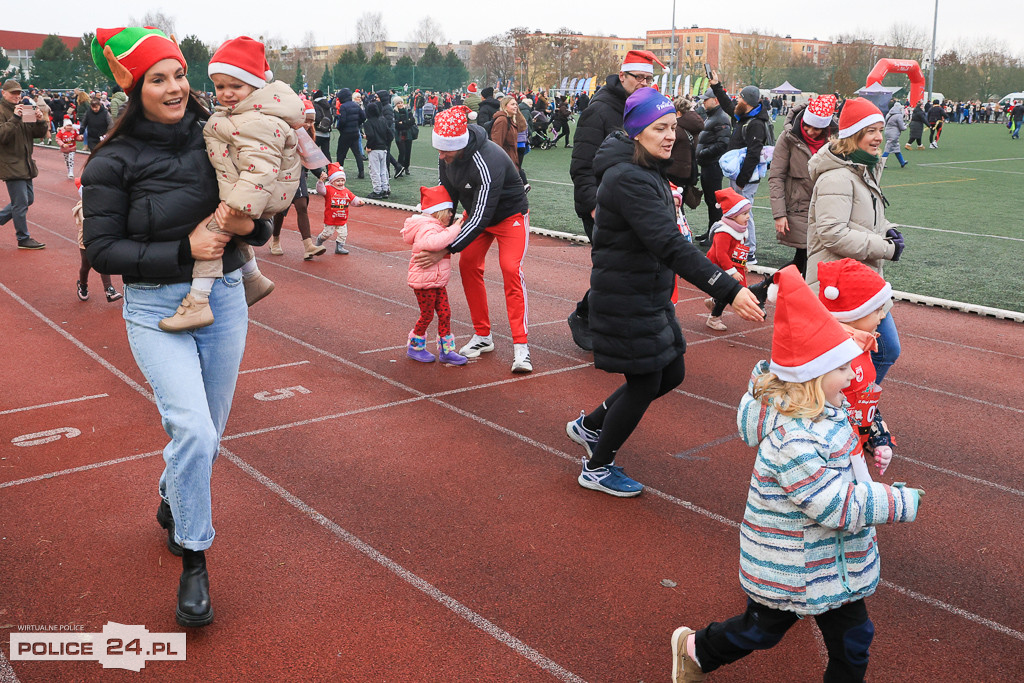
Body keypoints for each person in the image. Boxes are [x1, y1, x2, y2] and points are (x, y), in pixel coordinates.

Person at [83, 26, 273, 628]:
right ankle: (195, 557)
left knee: (207, 438)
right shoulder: (110, 160)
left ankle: (173, 492)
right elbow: (103, 250)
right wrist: (186, 250)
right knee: (192, 430)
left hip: (224, 301)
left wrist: (252, 228)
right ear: (134, 88)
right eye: (156, 78)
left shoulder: (216, 134)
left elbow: (260, 210)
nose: (173, 87)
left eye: (178, 74)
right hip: (154, 310)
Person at [669, 265, 922, 683]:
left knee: (854, 642)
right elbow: (833, 503)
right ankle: (697, 648)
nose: (851, 377)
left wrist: (877, 437)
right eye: (843, 371)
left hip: (831, 562)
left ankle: (701, 650)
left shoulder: (828, 408)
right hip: (793, 564)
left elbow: (854, 436)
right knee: (761, 630)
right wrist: (897, 501)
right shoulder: (794, 440)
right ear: (814, 378)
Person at [564, 88, 764, 497]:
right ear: (637, 131)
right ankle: (598, 466)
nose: (671, 135)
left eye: (673, 126)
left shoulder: (646, 168)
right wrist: (728, 289)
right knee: (644, 381)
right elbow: (670, 245)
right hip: (627, 295)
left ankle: (590, 426)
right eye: (660, 128)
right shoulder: (629, 178)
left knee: (671, 372)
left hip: (645, 291)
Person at [157, 36, 301, 333]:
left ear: (256, 85)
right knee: (228, 231)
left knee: (213, 234)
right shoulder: (245, 114)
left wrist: (235, 207)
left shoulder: (258, 121)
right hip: (252, 190)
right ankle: (253, 278)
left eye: (236, 86)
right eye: (220, 86)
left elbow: (260, 169)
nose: (226, 94)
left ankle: (197, 301)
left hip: (256, 193)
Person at [412, 105, 533, 373]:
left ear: (461, 144)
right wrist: (435, 229)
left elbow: (481, 216)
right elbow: (449, 196)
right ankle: (482, 336)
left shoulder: (488, 159)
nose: (441, 156)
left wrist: (444, 249)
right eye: (439, 150)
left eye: (446, 150)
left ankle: (521, 347)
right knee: (468, 266)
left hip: (508, 215)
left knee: (511, 269)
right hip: (478, 212)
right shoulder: (447, 157)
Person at [566, 49, 660, 351]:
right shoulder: (600, 109)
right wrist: (593, 205)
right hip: (603, 204)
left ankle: (613, 325)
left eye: (649, 78)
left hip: (633, 200)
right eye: (639, 77)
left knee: (629, 267)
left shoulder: (642, 107)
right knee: (617, 268)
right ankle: (586, 316)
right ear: (623, 76)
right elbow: (581, 164)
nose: (644, 83)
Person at [807, 98, 904, 383]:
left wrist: (889, 230)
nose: (878, 137)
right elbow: (833, 233)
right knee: (863, 355)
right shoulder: (837, 177)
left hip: (860, 282)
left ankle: (856, 410)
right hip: (840, 285)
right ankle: (852, 411)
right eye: (870, 130)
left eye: (880, 129)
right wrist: (887, 248)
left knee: (873, 353)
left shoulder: (863, 169)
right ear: (853, 135)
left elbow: (865, 220)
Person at [817, 258, 898, 483]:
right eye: (877, 310)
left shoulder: (862, 345)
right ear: (852, 313)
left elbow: (863, 401)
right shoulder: (831, 355)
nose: (883, 317)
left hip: (851, 448)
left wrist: (879, 437)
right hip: (829, 455)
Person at [765, 95, 836, 278]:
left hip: (828, 209)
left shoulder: (836, 140)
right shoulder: (788, 138)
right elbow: (776, 176)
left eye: (817, 128)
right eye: (807, 126)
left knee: (809, 261)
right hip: (799, 208)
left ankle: (763, 290)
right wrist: (779, 214)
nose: (811, 131)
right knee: (805, 260)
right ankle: (766, 291)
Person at [401, 185, 468, 366]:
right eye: (448, 212)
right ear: (437, 212)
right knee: (427, 314)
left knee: (445, 313)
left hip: (437, 281)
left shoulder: (436, 226)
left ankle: (446, 350)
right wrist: (454, 229)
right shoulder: (427, 228)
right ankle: (415, 347)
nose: (450, 216)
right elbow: (433, 243)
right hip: (424, 282)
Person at [726, 85, 773, 265]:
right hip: (742, 175)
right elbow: (728, 107)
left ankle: (750, 252)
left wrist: (742, 180)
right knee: (740, 211)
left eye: (739, 97)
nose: (737, 99)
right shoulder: (746, 116)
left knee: (745, 213)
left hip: (746, 178)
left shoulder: (756, 124)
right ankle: (742, 248)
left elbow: (754, 154)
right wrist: (715, 86)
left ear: (747, 101)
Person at [0, 79, 48, 249]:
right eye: (13, 93)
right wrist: (15, 118)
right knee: (20, 204)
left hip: (26, 163)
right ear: (3, 93)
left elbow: (37, 133)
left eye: (18, 93)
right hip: (11, 164)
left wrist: (40, 120)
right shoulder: (2, 111)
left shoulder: (26, 108)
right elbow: (2, 136)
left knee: (28, 199)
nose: (17, 96)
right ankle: (23, 238)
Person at [702, 188, 751, 331]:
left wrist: (743, 264)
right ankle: (714, 318)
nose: (748, 217)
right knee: (728, 291)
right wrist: (732, 271)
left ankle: (714, 302)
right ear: (733, 215)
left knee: (730, 291)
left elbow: (738, 250)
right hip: (719, 265)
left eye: (748, 213)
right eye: (744, 214)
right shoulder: (724, 231)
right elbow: (721, 254)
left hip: (731, 264)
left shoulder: (740, 228)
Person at [694, 72, 733, 242]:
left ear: (715, 100)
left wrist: (702, 153)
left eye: (706, 100)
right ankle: (711, 231)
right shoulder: (713, 116)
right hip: (708, 165)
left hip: (713, 166)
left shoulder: (721, 117)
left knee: (714, 203)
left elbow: (723, 144)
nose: (703, 102)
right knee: (710, 201)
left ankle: (715, 234)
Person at [72, 178, 122, 302]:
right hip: (86, 241)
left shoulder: (99, 205)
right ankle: (83, 285)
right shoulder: (81, 208)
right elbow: (88, 222)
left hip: (99, 240)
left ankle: (109, 289)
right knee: (86, 266)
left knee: (102, 262)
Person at [314, 163, 363, 254]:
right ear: (332, 181)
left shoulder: (346, 191)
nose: (340, 183)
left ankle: (339, 247)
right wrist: (320, 182)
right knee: (327, 234)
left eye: (342, 180)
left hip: (342, 218)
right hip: (331, 218)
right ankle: (319, 242)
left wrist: (359, 202)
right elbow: (321, 190)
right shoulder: (328, 189)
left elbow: (352, 199)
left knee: (343, 234)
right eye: (338, 181)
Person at [490, 96, 526, 182]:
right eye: (512, 104)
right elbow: (497, 144)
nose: (515, 106)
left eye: (516, 104)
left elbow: (522, 126)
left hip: (511, 161)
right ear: (505, 106)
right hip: (505, 163)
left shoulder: (510, 120)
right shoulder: (502, 120)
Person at [363, 100, 392, 200]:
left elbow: (371, 135)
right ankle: (385, 188)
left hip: (374, 149)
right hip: (383, 148)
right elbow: (390, 134)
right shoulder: (382, 120)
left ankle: (377, 190)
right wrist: (385, 144)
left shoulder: (368, 123)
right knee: (383, 170)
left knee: (374, 170)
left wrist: (368, 146)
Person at [335, 88, 365, 178]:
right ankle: (361, 172)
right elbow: (363, 117)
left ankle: (339, 172)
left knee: (341, 154)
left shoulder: (343, 107)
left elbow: (343, 120)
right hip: (355, 132)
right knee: (357, 153)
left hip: (345, 133)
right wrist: (357, 124)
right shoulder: (356, 105)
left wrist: (339, 127)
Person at [393, 96, 416, 177]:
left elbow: (412, 121)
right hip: (399, 135)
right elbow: (396, 125)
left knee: (408, 152)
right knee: (402, 152)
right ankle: (398, 167)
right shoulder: (394, 112)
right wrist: (406, 123)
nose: (400, 104)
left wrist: (403, 122)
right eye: (398, 103)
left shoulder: (408, 110)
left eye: (401, 102)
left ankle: (406, 167)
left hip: (408, 135)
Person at [882, 99, 908, 168]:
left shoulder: (889, 114)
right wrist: (905, 126)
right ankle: (881, 163)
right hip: (894, 134)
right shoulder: (899, 116)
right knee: (888, 148)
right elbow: (902, 127)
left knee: (896, 147)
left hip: (887, 132)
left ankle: (902, 162)